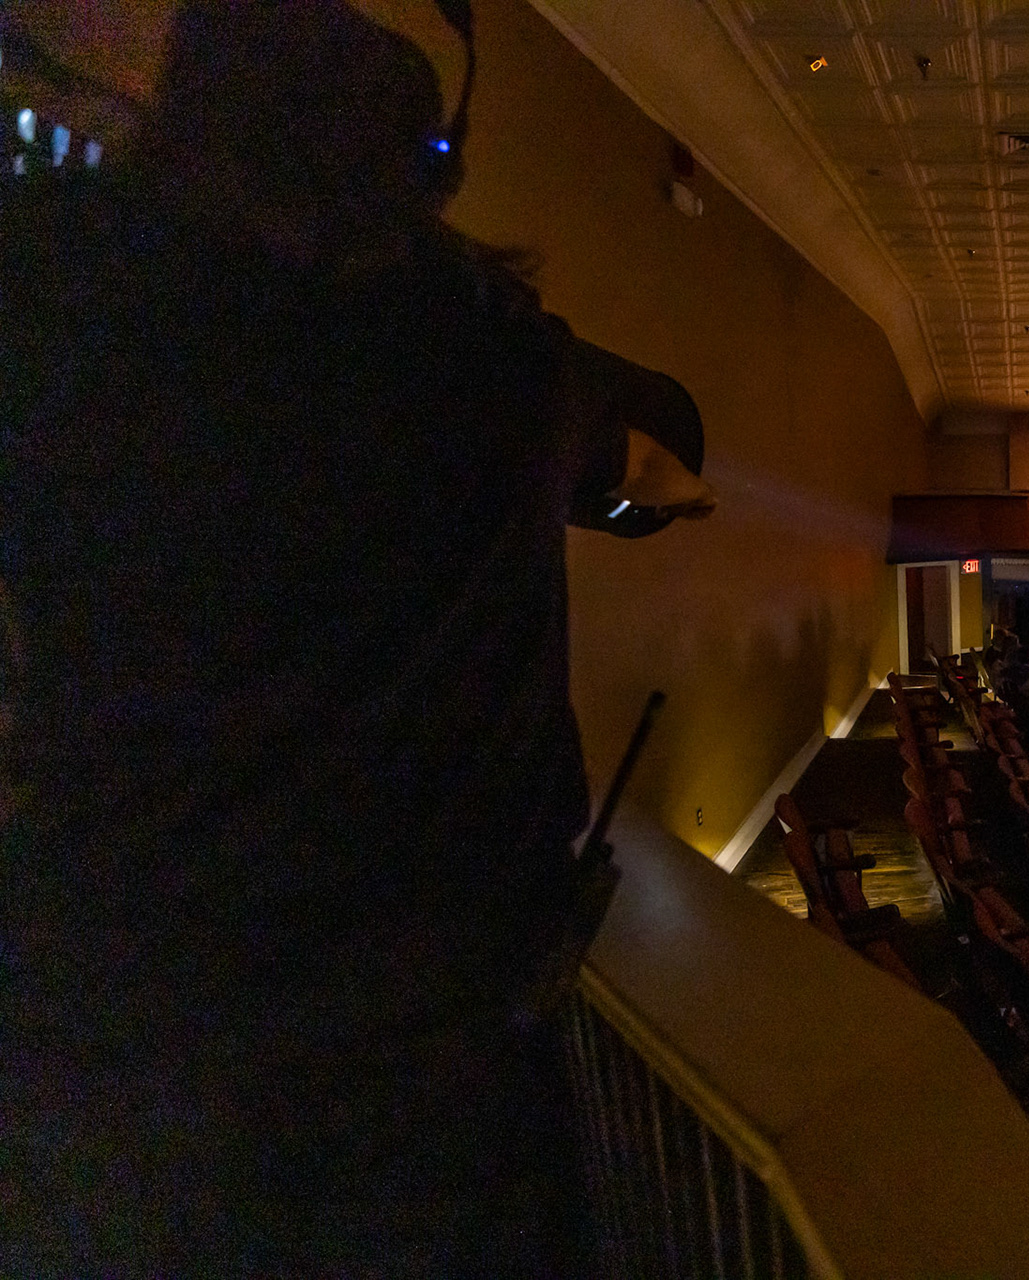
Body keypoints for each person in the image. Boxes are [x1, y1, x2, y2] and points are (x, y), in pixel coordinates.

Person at [0, 5, 701, 1272]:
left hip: (117, 1049)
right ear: (431, 160)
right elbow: (666, 446)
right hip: (438, 1065)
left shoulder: (54, 300)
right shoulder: (489, 355)